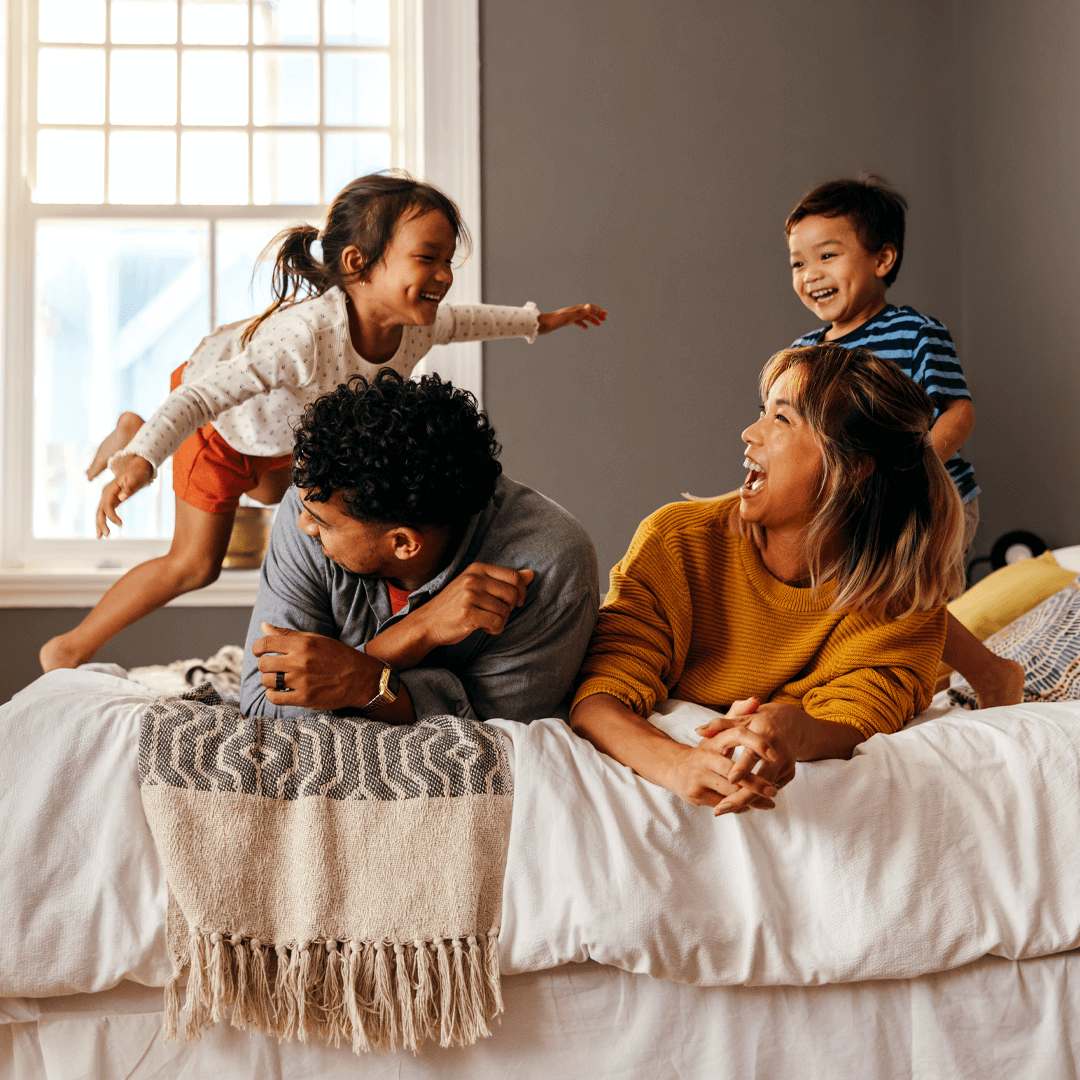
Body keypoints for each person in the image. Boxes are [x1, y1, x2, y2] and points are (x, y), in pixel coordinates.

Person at [39, 172, 606, 673]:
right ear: (359, 263)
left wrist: (546, 321)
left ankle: (139, 425)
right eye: (427, 258)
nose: (444, 276)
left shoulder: (420, 322)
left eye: (448, 261)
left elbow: (475, 321)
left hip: (285, 442)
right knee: (194, 564)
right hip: (223, 428)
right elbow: (203, 394)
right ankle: (69, 646)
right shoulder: (305, 338)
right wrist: (144, 456)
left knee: (298, 502)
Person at [570, 344, 963, 815]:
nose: (748, 433)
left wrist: (792, 729)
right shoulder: (676, 542)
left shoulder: (900, 600)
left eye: (782, 420)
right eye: (763, 412)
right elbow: (597, 699)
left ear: (855, 467)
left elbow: (855, 718)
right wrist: (679, 765)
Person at [239, 369, 599, 724]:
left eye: (322, 524)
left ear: (403, 544)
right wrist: (415, 634)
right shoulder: (317, 497)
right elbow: (262, 705)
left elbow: (495, 745)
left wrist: (359, 680)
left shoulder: (550, 564)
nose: (303, 525)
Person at [784, 175, 1022, 708]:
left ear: (882, 259)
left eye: (827, 255)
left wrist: (910, 468)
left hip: (929, 499)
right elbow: (792, 432)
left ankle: (993, 676)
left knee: (903, 592)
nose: (811, 274)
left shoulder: (915, 332)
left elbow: (958, 411)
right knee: (863, 599)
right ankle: (924, 682)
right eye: (798, 263)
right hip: (852, 507)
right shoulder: (803, 355)